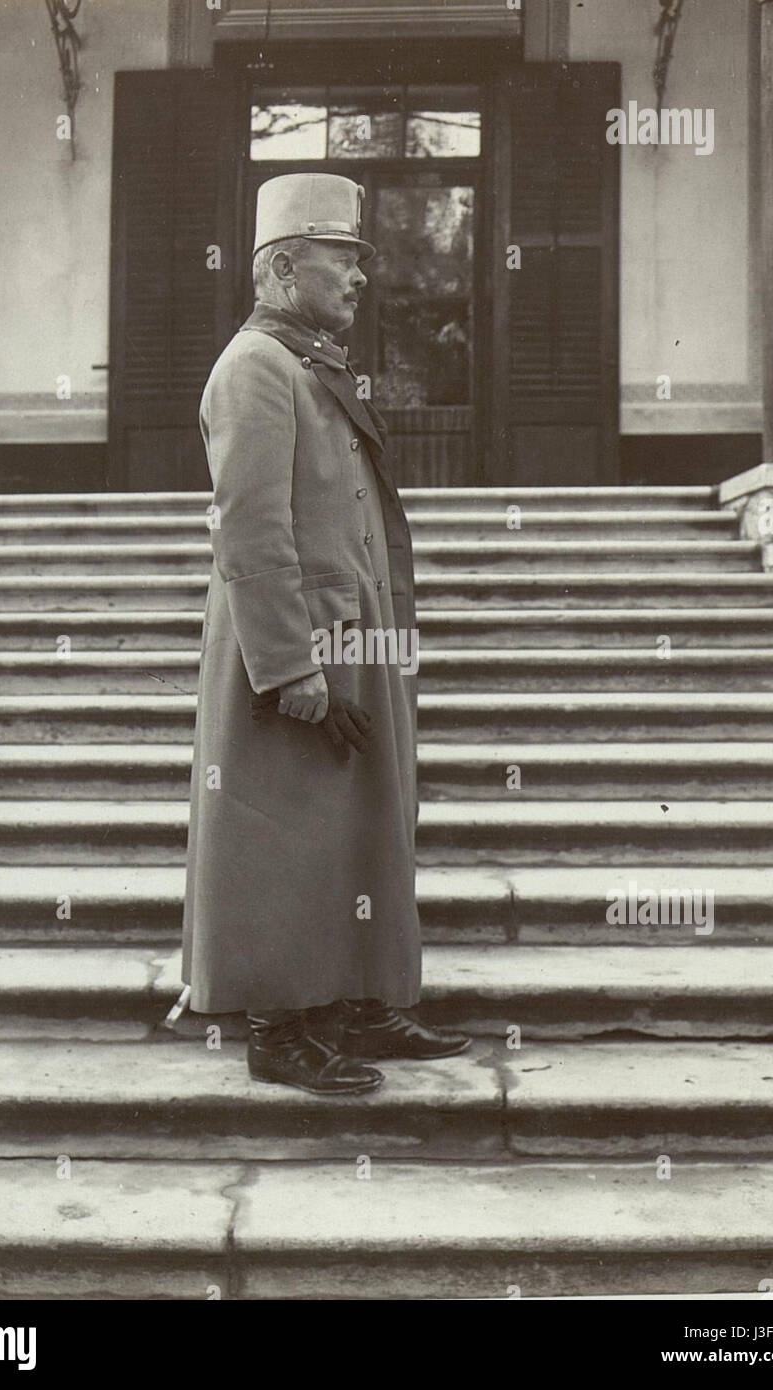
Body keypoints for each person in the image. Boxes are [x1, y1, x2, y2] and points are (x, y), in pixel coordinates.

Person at [176, 172, 469, 1095]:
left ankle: (359, 1002)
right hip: (298, 644)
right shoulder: (255, 366)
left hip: (355, 638)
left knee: (361, 826)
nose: (359, 279)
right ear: (282, 266)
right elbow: (250, 528)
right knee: (284, 832)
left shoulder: (310, 362)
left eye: (357, 261)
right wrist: (289, 666)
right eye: (342, 259)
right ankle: (278, 1028)